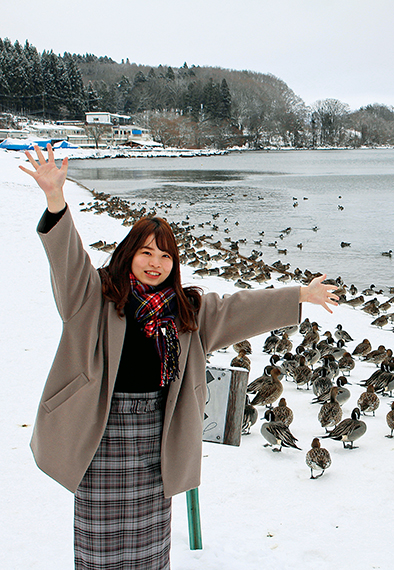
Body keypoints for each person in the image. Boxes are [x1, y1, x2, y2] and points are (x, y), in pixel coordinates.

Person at [21, 144, 339, 570]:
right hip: (101, 433)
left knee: (151, 549)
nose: (156, 263)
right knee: (99, 548)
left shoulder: (187, 311)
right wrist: (56, 198)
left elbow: (240, 308)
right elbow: (67, 260)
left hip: (159, 432)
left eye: (166, 255)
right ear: (128, 254)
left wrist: (300, 294)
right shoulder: (94, 297)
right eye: (146, 252)